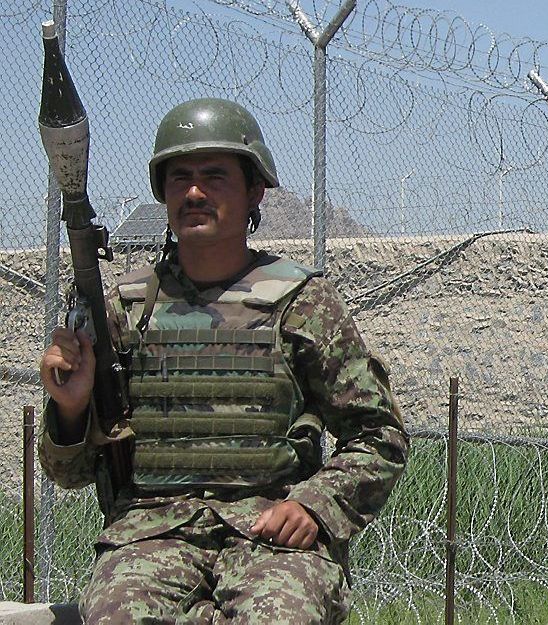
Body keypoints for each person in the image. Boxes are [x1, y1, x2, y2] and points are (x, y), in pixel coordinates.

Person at [38, 98, 409, 624]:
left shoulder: (301, 302)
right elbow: (67, 473)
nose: (194, 192)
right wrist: (71, 411)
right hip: (150, 536)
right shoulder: (122, 311)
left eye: (215, 176)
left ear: (254, 190)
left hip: (271, 537)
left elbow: (378, 434)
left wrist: (314, 506)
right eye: (180, 177)